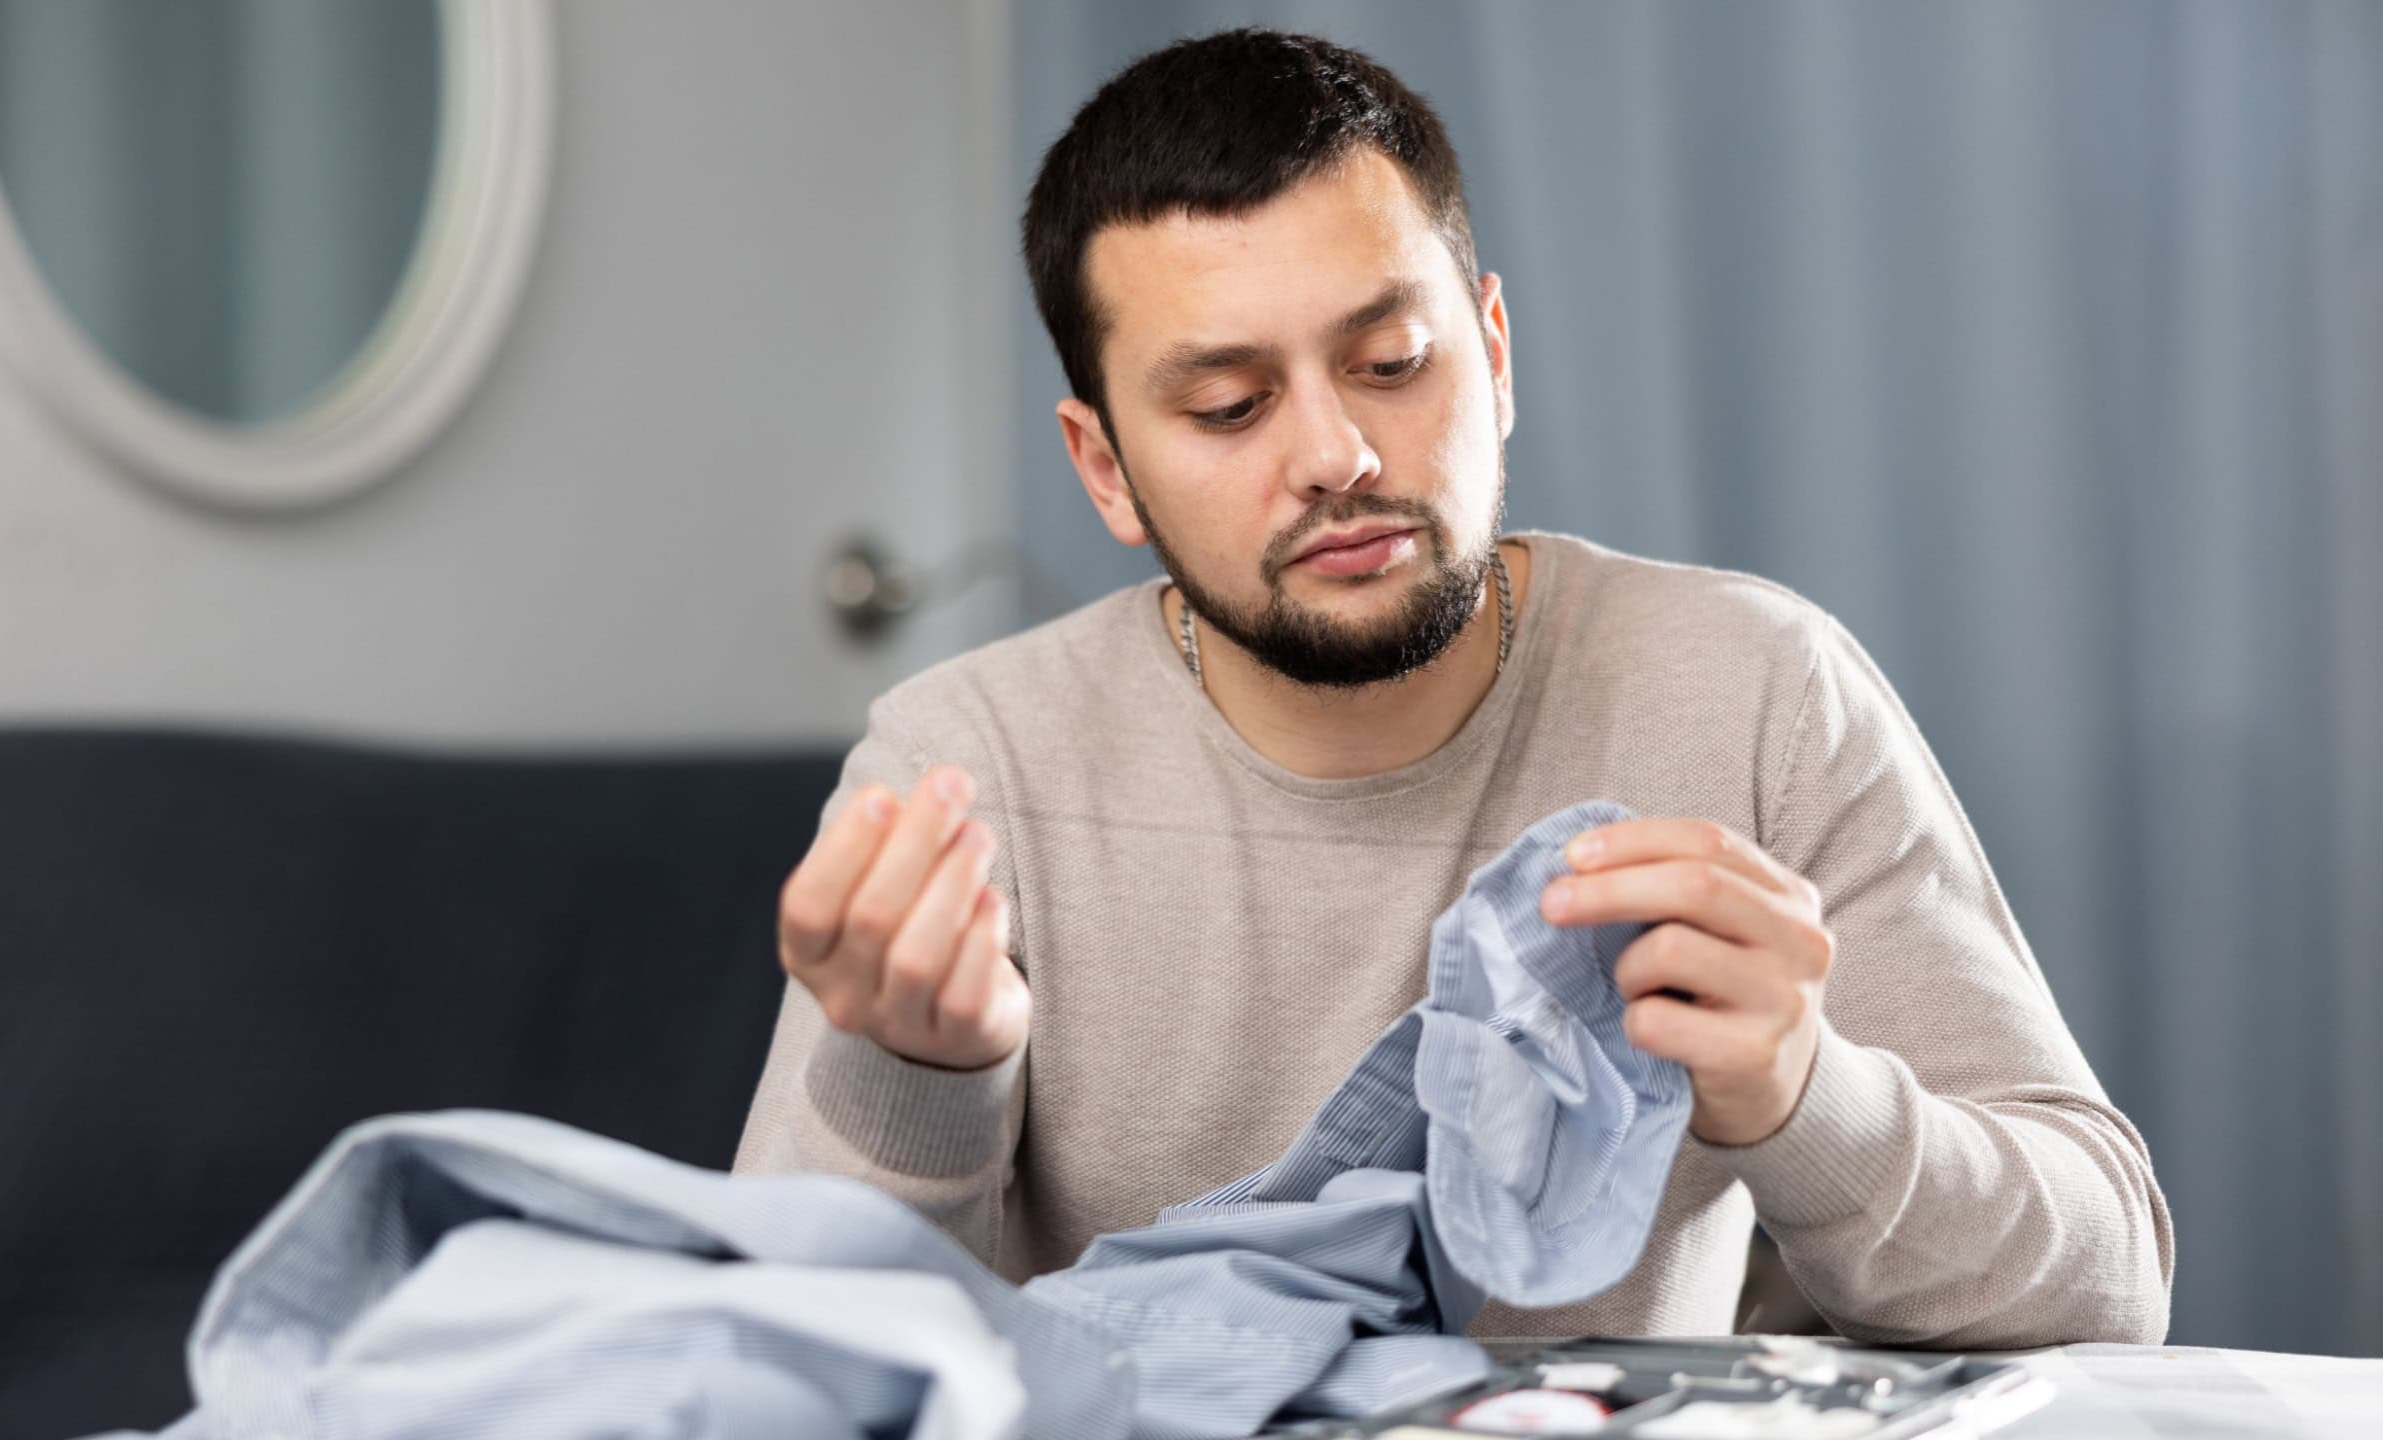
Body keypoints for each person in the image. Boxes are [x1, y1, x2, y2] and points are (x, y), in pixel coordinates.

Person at [735, 27, 2172, 1347]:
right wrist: (921, 1090)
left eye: (1392, 361)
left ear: (1492, 352)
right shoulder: (968, 769)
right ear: (1103, 466)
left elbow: (2110, 1285)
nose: (1338, 454)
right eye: (1229, 407)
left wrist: (1806, 1094)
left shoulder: (1757, 692)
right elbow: (773, 1374)